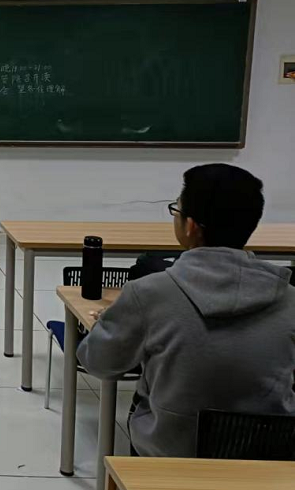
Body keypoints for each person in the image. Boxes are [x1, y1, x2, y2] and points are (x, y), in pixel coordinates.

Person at [77, 163, 295, 457]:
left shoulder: (149, 293)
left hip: (172, 451)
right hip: (266, 455)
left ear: (191, 226)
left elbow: (98, 362)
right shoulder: (289, 299)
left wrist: (108, 326)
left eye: (176, 210)